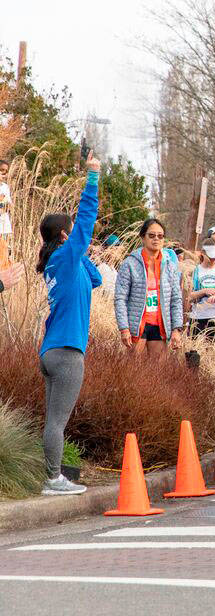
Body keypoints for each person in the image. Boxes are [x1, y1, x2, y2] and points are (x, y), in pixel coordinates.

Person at [35, 152, 100, 495]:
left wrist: (81, 250)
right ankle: (53, 479)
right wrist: (92, 177)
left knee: (54, 420)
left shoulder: (59, 262)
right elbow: (87, 220)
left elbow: (96, 280)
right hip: (66, 352)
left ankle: (53, 476)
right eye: (72, 233)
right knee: (57, 423)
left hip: (52, 350)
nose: (79, 236)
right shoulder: (63, 256)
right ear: (64, 234)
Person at [114, 218, 184, 358]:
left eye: (160, 236)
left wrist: (177, 329)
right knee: (132, 370)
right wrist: (124, 328)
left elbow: (176, 299)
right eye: (151, 235)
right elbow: (120, 298)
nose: (156, 239)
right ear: (143, 237)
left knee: (157, 373)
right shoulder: (130, 264)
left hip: (160, 324)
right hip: (137, 325)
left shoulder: (170, 266)